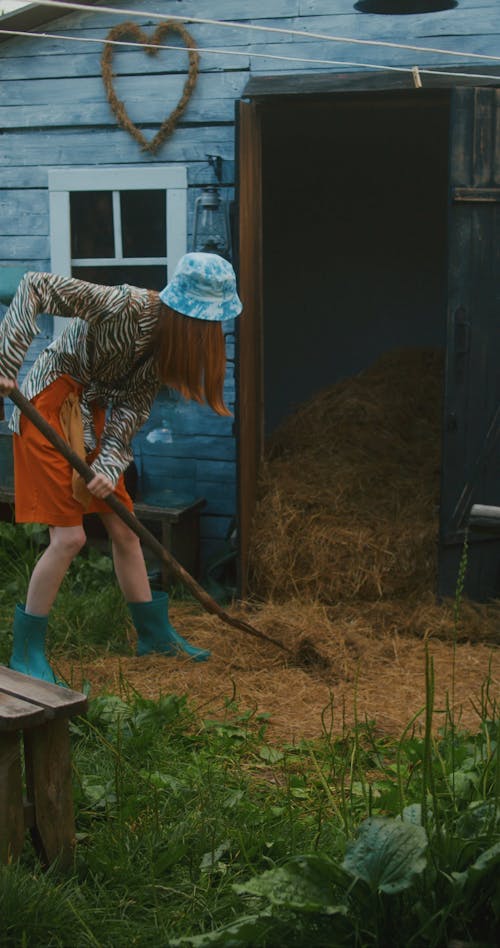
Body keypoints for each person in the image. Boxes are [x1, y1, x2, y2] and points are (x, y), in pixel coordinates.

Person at [0, 252, 243, 683]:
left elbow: (128, 413)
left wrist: (109, 468)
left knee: (125, 527)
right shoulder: (124, 306)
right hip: (48, 404)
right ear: (190, 321)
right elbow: (35, 286)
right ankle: (26, 652)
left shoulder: (159, 353)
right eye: (210, 329)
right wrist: (6, 364)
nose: (212, 339)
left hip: (87, 417)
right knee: (70, 537)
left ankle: (154, 635)